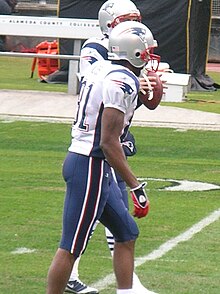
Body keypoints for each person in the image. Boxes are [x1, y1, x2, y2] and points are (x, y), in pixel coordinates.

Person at [46, 20, 158, 294]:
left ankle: (126, 291)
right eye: (147, 51)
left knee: (127, 232)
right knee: (71, 246)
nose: (151, 57)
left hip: (91, 162)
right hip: (91, 165)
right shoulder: (122, 81)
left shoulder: (102, 68)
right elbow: (109, 142)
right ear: (135, 53)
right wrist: (135, 186)